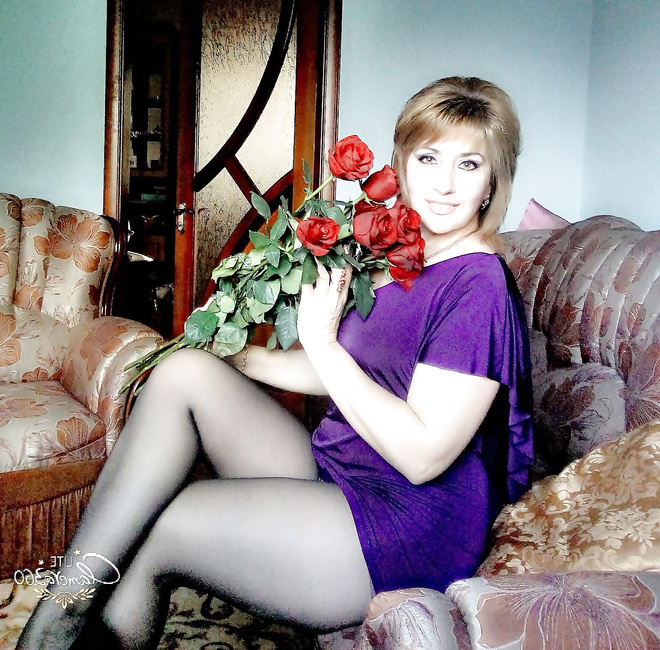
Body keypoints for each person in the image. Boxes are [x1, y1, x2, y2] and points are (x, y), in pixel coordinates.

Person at [17, 76, 533, 649]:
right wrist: (232, 354)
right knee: (184, 372)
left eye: (469, 165)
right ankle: (63, 608)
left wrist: (322, 342)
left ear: (492, 182)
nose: (444, 183)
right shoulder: (405, 260)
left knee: (162, 525)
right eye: (429, 158)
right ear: (403, 164)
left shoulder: (479, 285)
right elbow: (343, 373)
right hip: (340, 470)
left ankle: (55, 624)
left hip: (405, 521)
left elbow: (422, 456)